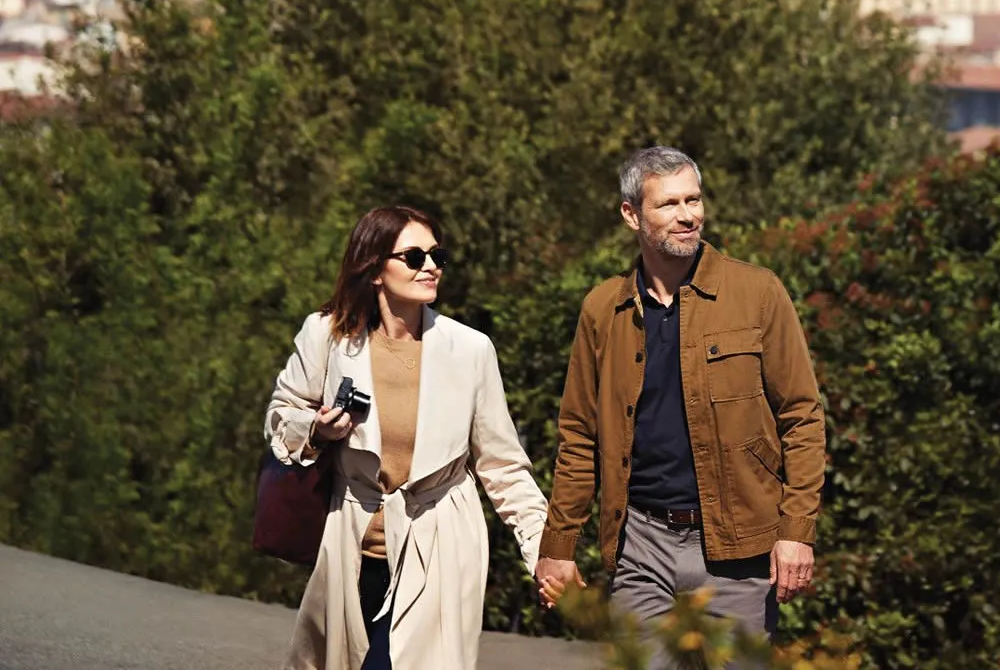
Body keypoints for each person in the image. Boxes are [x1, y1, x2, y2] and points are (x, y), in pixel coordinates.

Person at [534, 147, 824, 663]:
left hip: (739, 555)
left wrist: (796, 532)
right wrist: (558, 547)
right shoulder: (603, 309)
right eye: (668, 204)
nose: (687, 215)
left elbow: (802, 417)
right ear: (631, 215)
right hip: (639, 547)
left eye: (694, 199)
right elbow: (578, 434)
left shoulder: (757, 292)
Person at [266, 206, 548, 670]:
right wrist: (316, 429)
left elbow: (502, 465)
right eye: (414, 256)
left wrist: (541, 550)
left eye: (436, 255)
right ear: (375, 269)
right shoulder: (328, 335)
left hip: (439, 547)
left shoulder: (471, 349)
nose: (431, 266)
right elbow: (282, 416)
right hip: (353, 546)